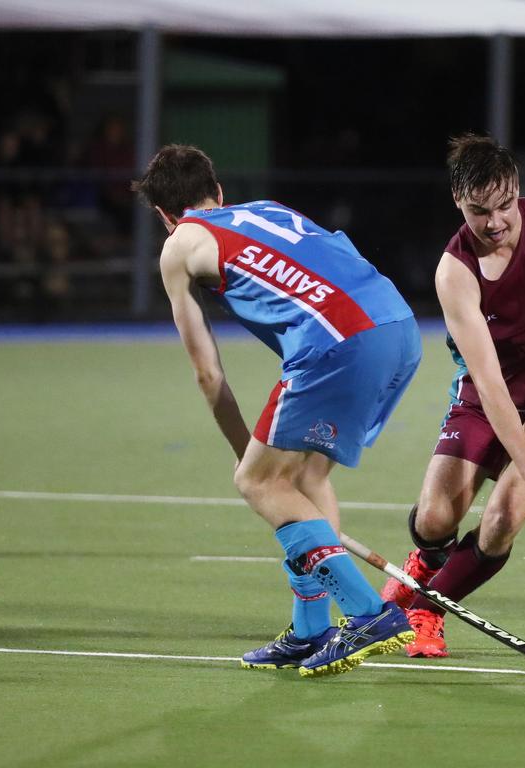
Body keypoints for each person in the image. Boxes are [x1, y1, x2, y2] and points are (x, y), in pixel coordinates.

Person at [132, 144, 421, 677]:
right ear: (217, 192)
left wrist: (250, 460)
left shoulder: (179, 246)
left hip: (338, 341)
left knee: (259, 482)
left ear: (163, 215)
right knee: (307, 478)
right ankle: (311, 630)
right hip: (400, 327)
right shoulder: (269, 209)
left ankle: (368, 614)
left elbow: (208, 374)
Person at [379, 134, 525, 658]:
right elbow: (488, 381)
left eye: (505, 205)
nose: (496, 222)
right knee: (436, 518)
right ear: (458, 203)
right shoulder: (453, 273)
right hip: (492, 393)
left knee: (504, 517)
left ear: (518, 189)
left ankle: (426, 609)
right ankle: (427, 563)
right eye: (479, 211)